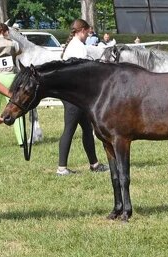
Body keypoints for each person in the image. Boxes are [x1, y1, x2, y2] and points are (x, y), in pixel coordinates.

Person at [59, 18, 108, 175]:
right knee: (69, 130)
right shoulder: (78, 47)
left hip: (74, 95)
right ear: (81, 31)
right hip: (75, 96)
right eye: (87, 32)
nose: (88, 35)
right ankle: (61, 168)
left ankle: (94, 164)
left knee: (87, 129)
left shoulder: (74, 46)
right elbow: (82, 73)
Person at [0, 23, 24, 145]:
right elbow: (20, 51)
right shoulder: (13, 43)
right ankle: (21, 140)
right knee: (16, 107)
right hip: (12, 77)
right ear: (4, 31)